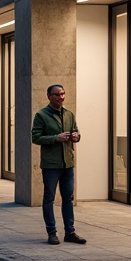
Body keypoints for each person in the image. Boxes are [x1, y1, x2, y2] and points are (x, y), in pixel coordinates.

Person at [32, 83, 86, 245]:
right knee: (49, 198)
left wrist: (76, 136)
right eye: (57, 95)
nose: (61, 97)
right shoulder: (41, 115)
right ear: (49, 96)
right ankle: (52, 232)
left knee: (68, 198)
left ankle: (70, 232)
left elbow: (76, 131)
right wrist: (56, 138)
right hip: (51, 164)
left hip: (68, 163)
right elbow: (35, 137)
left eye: (62, 94)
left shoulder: (69, 114)